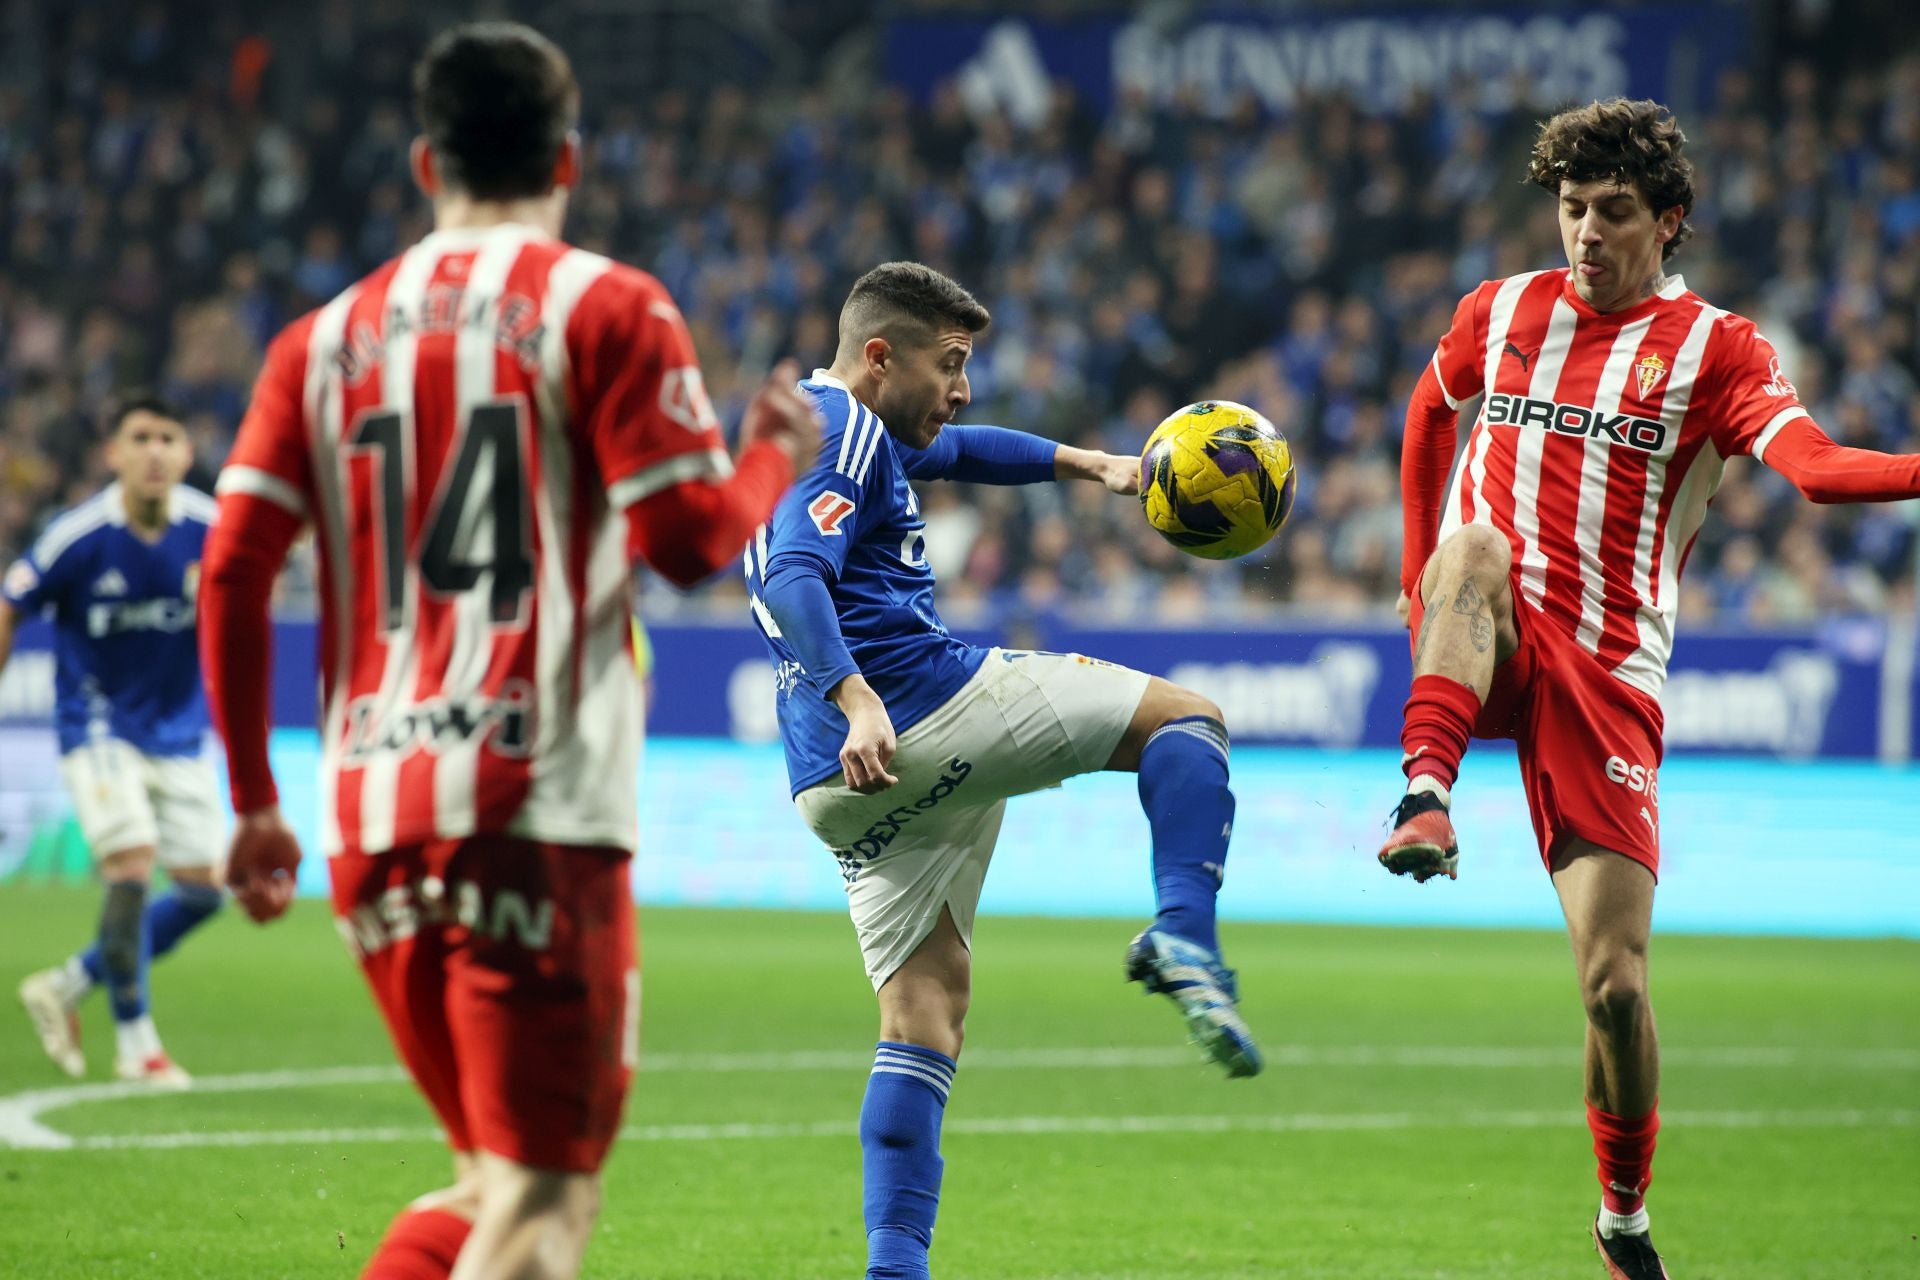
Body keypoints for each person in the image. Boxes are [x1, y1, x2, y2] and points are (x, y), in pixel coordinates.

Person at [196, 23, 819, 1280]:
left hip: (371, 817)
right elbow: (691, 538)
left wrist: (258, 803)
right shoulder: (608, 304)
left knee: (488, 1182)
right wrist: (770, 454)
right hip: (535, 807)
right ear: (569, 159)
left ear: (426, 162)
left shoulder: (314, 343)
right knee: (541, 1209)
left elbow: (233, 568)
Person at [1380, 98, 1920, 1280]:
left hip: (1610, 666)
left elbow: (1817, 471)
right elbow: (1430, 412)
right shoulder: (1502, 308)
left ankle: (1622, 1218)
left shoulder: (1720, 350)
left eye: (1613, 213)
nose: (1584, 233)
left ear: (1667, 221)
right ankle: (1423, 790)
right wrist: (1420, 568)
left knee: (1615, 985)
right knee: (1472, 550)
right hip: (1494, 626)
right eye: (1570, 209)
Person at [747, 261, 1261, 1280]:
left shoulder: (825, 430)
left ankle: (896, 1268)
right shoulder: (835, 423)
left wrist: (1092, 465)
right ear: (879, 355)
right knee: (1188, 720)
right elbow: (788, 569)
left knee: (924, 1009)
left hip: (834, 788)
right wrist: (856, 693)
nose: (963, 386)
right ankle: (1186, 936)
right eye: (951, 362)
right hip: (912, 704)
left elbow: (961, 449)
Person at [5, 396, 223, 1087]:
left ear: (187, 454)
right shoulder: (78, 534)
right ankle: (137, 1044)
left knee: (202, 893)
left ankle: (70, 982)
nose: (155, 450)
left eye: (168, 437)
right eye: (140, 438)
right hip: (97, 724)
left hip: (181, 731)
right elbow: (11, 604)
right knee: (131, 866)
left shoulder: (210, 528)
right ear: (115, 455)